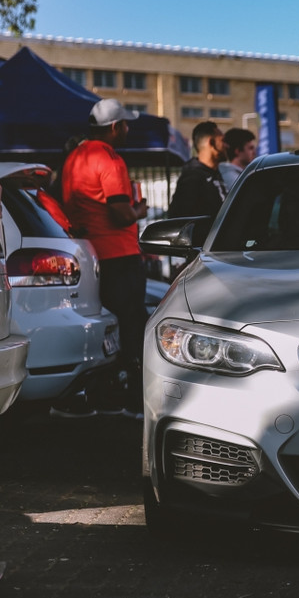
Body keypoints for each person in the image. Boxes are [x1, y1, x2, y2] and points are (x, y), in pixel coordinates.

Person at [60, 98, 149, 418]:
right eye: (125, 125)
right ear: (114, 128)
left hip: (88, 255)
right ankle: (135, 402)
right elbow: (121, 212)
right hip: (120, 255)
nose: (127, 130)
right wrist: (140, 209)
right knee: (132, 330)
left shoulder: (73, 158)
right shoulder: (109, 158)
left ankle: (98, 395)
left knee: (102, 330)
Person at [168, 121, 228, 219]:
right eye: (223, 141)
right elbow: (181, 219)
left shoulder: (214, 174)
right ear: (211, 143)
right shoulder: (192, 178)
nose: (227, 146)